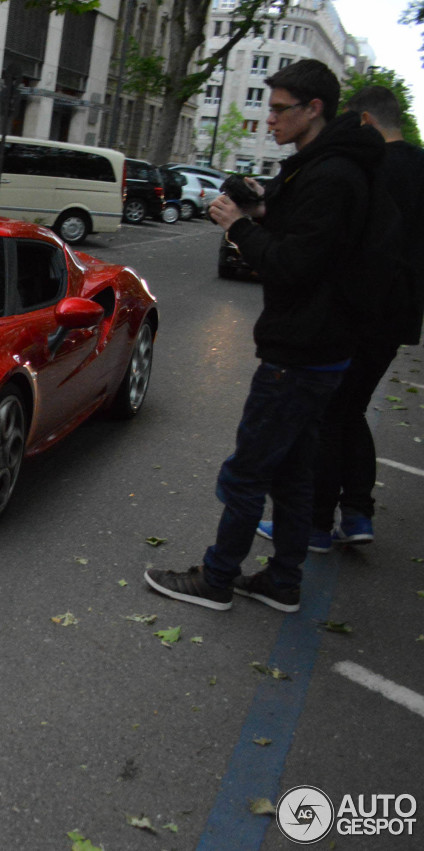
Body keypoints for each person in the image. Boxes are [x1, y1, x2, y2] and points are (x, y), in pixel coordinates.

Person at [144, 59, 383, 613]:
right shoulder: (330, 165)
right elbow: (309, 238)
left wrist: (239, 225)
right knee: (294, 473)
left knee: (247, 472)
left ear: (314, 108)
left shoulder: (332, 174)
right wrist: (260, 208)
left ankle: (217, 578)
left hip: (300, 351)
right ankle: (283, 580)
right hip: (323, 348)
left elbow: (293, 265)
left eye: (279, 110)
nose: (268, 120)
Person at [261, 85, 424, 550]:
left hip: (359, 309)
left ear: (366, 123)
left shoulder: (368, 168)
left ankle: (313, 522)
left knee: (330, 413)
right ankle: (356, 513)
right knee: (350, 409)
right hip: (400, 314)